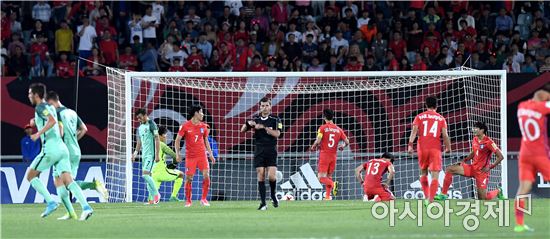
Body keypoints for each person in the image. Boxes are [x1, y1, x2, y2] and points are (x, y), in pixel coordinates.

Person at [26, 83, 93, 220]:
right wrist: (36, 121)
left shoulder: (40, 107)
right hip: (63, 149)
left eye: (30, 93)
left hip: (50, 149)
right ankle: (86, 207)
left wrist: (38, 134)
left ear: (36, 95)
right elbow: (59, 127)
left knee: (30, 176)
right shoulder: (51, 107)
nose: (29, 96)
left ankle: (51, 202)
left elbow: (51, 121)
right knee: (68, 181)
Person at [46, 91, 109, 218]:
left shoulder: (56, 113)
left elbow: (60, 133)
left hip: (63, 152)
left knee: (64, 182)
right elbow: (84, 129)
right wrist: (74, 140)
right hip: (75, 151)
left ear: (52, 102)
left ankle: (86, 203)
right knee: (65, 182)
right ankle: (71, 212)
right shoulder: (72, 113)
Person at [435, 122, 505, 201]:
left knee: (483, 199)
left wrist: (490, 167)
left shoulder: (489, 142)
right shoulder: (475, 139)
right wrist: (464, 160)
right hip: (472, 168)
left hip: (482, 172)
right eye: (473, 128)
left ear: (482, 130)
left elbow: (500, 157)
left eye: (476, 128)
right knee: (450, 169)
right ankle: (443, 195)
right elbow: (474, 152)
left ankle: (498, 191)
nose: (473, 130)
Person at [514, 84, 550, 233]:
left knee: (523, 189)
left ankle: (519, 225)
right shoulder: (542, 108)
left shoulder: (521, 106)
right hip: (539, 154)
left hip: (524, 154)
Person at [407, 96, 451, 204]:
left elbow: (414, 132)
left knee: (423, 172)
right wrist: (448, 147)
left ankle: (427, 197)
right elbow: (445, 135)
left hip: (422, 147)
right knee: (435, 174)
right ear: (437, 105)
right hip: (435, 148)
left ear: (425, 105)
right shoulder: (441, 118)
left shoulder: (419, 117)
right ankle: (430, 199)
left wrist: (410, 145)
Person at [241, 97, 282, 210]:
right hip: (259, 150)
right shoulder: (256, 118)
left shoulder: (275, 119)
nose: (265, 108)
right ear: (260, 107)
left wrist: (263, 127)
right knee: (261, 174)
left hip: (271, 149)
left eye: (267, 105)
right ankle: (263, 203)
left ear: (270, 106)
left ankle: (273, 195)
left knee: (272, 176)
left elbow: (278, 134)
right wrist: (248, 124)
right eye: (262, 106)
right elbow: (242, 129)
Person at [174, 105, 216, 207]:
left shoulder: (204, 126)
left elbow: (206, 141)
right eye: (201, 112)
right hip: (191, 157)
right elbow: (177, 140)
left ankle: (204, 199)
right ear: (196, 113)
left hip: (202, 155)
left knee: (206, 175)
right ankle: (188, 201)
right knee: (189, 178)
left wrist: (210, 154)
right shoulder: (185, 126)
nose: (203, 114)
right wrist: (177, 154)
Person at [310, 109, 349, 200]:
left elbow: (318, 140)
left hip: (324, 155)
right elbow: (347, 142)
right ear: (333, 117)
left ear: (324, 117)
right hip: (333, 156)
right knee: (328, 176)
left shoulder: (322, 128)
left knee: (321, 178)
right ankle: (327, 196)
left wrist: (313, 146)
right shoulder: (339, 129)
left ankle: (333, 184)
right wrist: (342, 146)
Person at [131, 108, 161, 205]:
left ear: (145, 115)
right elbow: (139, 142)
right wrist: (135, 154)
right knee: (149, 177)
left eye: (140, 117)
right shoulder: (140, 127)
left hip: (151, 155)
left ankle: (157, 194)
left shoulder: (152, 125)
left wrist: (157, 155)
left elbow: (157, 139)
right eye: (137, 118)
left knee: (145, 174)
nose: (138, 120)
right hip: (144, 155)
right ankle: (151, 199)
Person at [152, 125, 184, 202]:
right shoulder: (162, 144)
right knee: (181, 174)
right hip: (162, 172)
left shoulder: (149, 144)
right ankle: (173, 197)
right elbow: (175, 156)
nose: (165, 137)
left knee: (152, 199)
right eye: (165, 135)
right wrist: (174, 164)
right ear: (160, 135)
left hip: (152, 173)